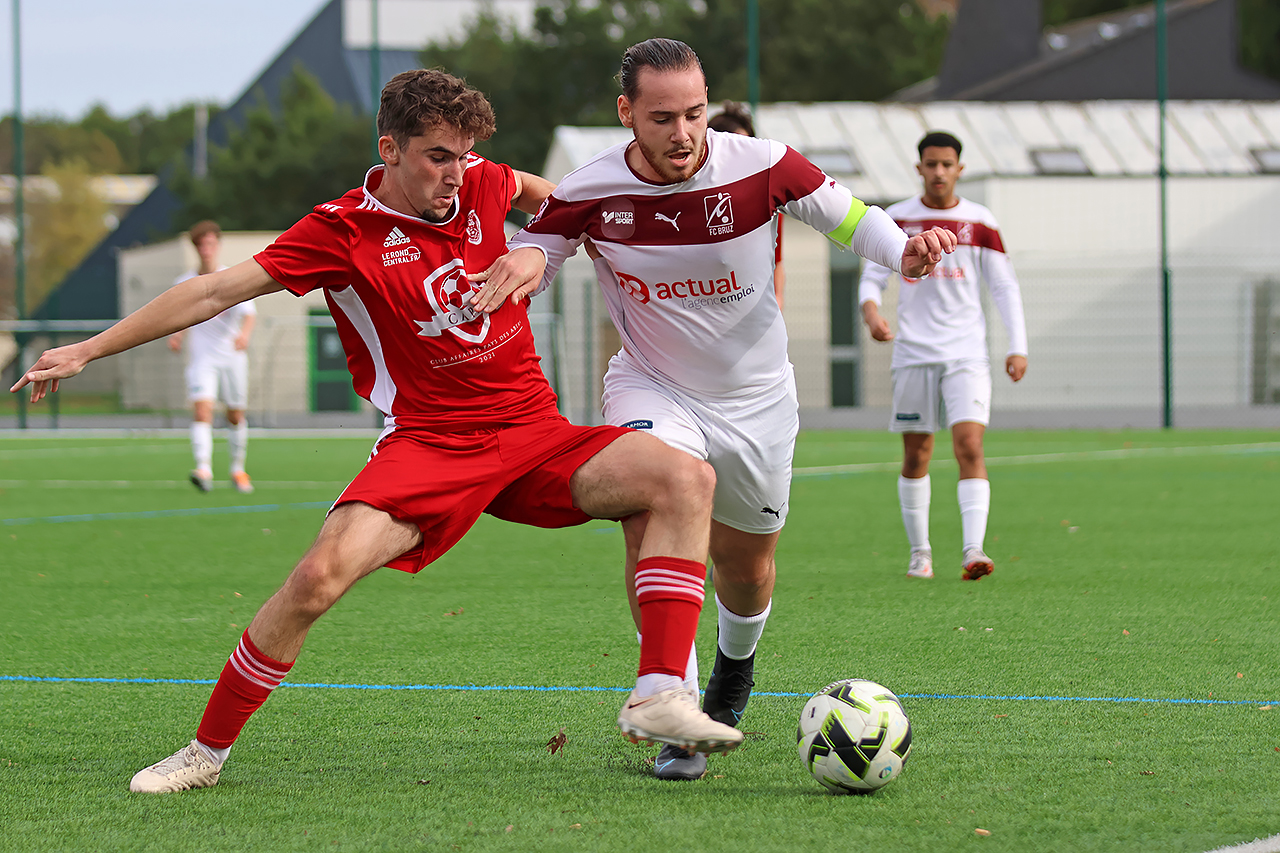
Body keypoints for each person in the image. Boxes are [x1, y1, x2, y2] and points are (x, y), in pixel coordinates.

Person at [10, 68, 743, 794]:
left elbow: (566, 201)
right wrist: (86, 347)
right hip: (428, 444)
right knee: (316, 578)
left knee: (683, 476)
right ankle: (205, 750)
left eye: (463, 155)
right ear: (389, 149)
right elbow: (210, 290)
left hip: (531, 431)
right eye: (436, 157)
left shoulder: (485, 181)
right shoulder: (340, 231)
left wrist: (639, 231)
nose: (457, 174)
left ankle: (658, 696)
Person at [491, 38, 956, 780]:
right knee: (650, 503)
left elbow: (847, 216)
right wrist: (524, 261)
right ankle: (669, 699)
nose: (683, 133)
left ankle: (730, 674)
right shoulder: (590, 187)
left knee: (748, 568)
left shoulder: (762, 163)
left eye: (696, 113)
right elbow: (540, 251)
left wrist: (902, 251)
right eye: (663, 116)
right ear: (627, 113)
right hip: (651, 385)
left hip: (759, 400)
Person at [858, 130, 1028, 582]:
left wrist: (1018, 345)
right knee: (917, 455)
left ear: (959, 169)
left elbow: (1004, 286)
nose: (938, 172)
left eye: (946, 165)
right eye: (930, 164)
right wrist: (871, 314)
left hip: (966, 354)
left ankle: (974, 548)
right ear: (919, 168)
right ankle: (920, 553)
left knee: (970, 445)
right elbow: (871, 278)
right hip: (914, 353)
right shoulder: (896, 219)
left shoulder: (980, 222)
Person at [166, 220, 258, 494]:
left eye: (210, 243)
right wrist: (177, 334)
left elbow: (249, 314)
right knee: (201, 410)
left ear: (217, 245)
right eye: (201, 244)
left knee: (235, 414)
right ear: (196, 248)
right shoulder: (184, 282)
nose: (206, 249)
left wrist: (244, 335)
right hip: (202, 358)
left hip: (232, 357)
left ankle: (237, 469)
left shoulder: (231, 277)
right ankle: (203, 468)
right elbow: (179, 316)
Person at [706, 101, 786, 310]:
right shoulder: (687, 197)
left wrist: (778, 300)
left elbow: (776, 263)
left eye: (748, 147)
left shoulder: (767, 199)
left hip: (752, 317)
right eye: (736, 147)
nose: (744, 156)